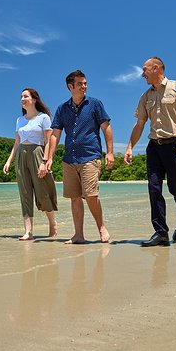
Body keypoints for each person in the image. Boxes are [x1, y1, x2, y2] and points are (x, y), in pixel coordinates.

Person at [124, 57, 176, 247]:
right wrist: (130, 147)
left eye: (145, 70)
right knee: (154, 189)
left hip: (175, 145)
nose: (142, 74)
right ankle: (161, 232)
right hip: (154, 146)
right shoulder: (145, 96)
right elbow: (139, 124)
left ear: (156, 68)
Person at [46, 70, 114, 244]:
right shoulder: (62, 109)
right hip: (69, 159)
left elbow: (106, 128)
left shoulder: (95, 104)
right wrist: (50, 157)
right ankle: (78, 235)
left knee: (91, 196)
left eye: (85, 83)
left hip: (90, 156)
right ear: (70, 87)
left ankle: (101, 228)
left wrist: (110, 152)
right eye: (80, 84)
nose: (84, 86)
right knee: (75, 198)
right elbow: (55, 135)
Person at [3, 88, 58, 240]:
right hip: (21, 154)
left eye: (25, 96)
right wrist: (9, 161)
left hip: (37, 154)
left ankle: (52, 225)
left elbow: (48, 141)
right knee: (25, 193)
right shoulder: (19, 120)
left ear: (34, 99)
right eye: (21, 96)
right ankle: (28, 231)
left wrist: (45, 161)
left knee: (42, 192)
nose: (22, 99)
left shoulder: (43, 117)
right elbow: (16, 142)